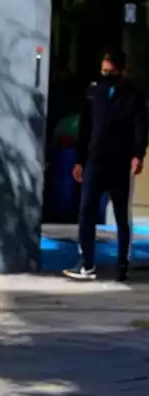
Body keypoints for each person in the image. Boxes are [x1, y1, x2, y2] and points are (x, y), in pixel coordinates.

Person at [65, 50, 146, 282]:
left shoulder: (133, 96)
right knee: (87, 211)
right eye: (103, 71)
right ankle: (87, 264)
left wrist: (137, 155)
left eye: (111, 71)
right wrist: (79, 160)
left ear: (121, 70)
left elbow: (141, 127)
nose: (106, 75)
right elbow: (85, 127)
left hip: (120, 162)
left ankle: (122, 263)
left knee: (122, 215)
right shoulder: (94, 92)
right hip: (94, 161)